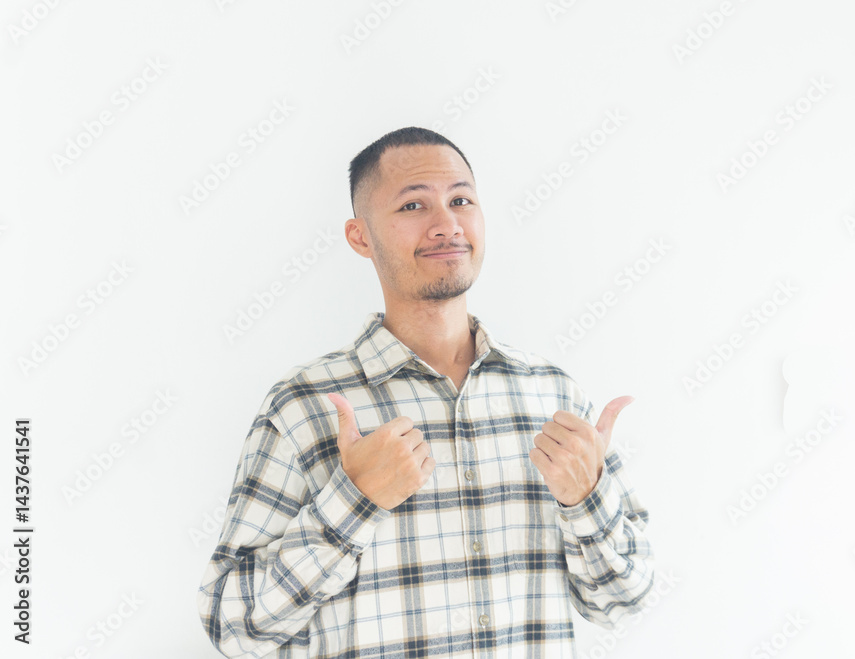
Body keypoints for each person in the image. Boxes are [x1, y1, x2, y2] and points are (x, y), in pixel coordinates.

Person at [195, 127, 657, 657]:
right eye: (413, 205)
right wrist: (353, 502)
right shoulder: (303, 406)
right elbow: (232, 629)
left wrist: (586, 500)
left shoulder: (554, 396)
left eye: (461, 200)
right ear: (360, 237)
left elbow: (622, 603)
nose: (447, 224)